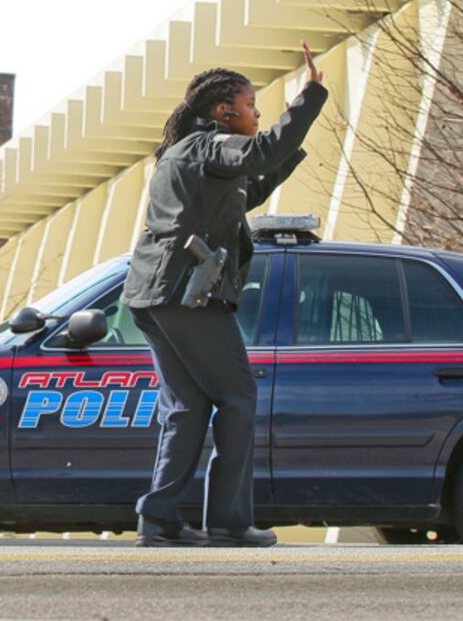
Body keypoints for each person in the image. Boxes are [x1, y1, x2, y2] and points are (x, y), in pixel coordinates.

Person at [123, 42, 327, 548]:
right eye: (251, 104)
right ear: (222, 111)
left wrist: (290, 147)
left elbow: (246, 190)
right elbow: (260, 154)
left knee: (188, 407)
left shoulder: (187, 153)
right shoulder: (210, 144)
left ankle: (160, 519)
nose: (257, 113)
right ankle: (230, 523)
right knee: (237, 398)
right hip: (187, 296)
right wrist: (309, 99)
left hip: (153, 296)